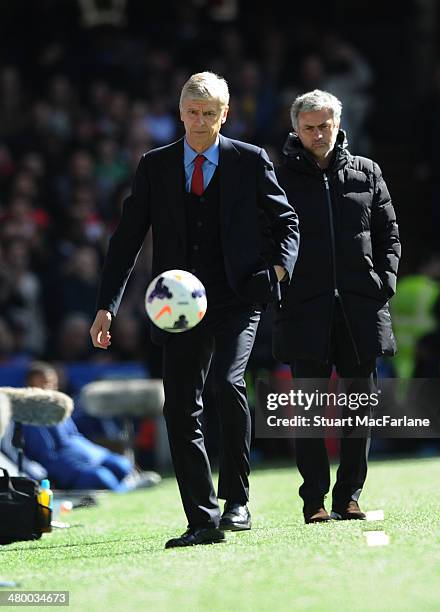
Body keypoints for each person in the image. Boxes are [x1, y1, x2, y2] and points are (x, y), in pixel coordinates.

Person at [90, 72, 299, 548]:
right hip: (176, 305)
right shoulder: (154, 166)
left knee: (228, 384)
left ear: (226, 114)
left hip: (237, 298)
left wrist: (279, 273)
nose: (200, 122)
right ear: (179, 113)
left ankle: (237, 502)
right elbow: (126, 241)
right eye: (192, 112)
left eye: (210, 113)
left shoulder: (249, 160)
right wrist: (107, 306)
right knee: (181, 407)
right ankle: (201, 519)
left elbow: (286, 221)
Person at [273, 90, 400, 524]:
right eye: (309, 127)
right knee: (307, 411)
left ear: (338, 124)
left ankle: (349, 496)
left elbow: (390, 235)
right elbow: (266, 237)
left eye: (324, 125)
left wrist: (383, 284)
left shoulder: (367, 172)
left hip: (360, 308)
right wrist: (281, 288)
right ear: (296, 130)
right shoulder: (277, 176)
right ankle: (314, 502)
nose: (318, 134)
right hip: (305, 309)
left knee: (359, 408)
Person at [14, 361, 161, 491]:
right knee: (101, 477)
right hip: (73, 467)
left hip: (89, 455)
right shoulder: (30, 419)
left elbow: (75, 436)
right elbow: (48, 457)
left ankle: (130, 484)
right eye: (43, 383)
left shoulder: (59, 408)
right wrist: (76, 468)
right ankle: (126, 489)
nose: (49, 387)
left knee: (122, 464)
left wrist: (97, 453)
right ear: (30, 385)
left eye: (52, 383)